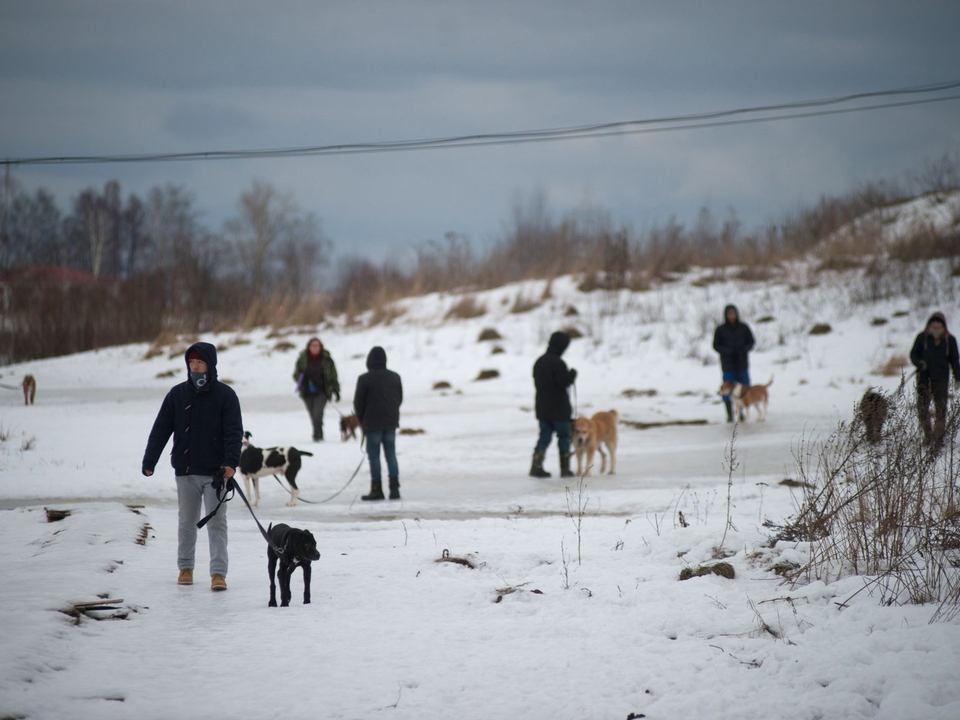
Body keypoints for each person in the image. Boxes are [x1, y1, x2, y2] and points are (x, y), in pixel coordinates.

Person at [142, 342, 243, 592]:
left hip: (216, 474)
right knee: (186, 522)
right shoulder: (177, 395)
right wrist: (149, 460)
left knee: (217, 523)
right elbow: (161, 429)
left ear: (210, 364)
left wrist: (231, 462)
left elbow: (233, 432)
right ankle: (185, 568)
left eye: (200, 362)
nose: (195, 367)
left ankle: (218, 573)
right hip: (186, 472)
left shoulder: (226, 395)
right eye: (192, 363)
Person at [354, 346, 403, 501]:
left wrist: (362, 421)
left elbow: (358, 403)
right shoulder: (395, 377)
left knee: (374, 457)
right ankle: (394, 489)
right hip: (390, 422)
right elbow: (399, 398)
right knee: (391, 455)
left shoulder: (364, 379)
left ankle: (377, 489)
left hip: (372, 423)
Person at [531, 331, 577, 479]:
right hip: (559, 409)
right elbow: (563, 383)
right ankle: (565, 469)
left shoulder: (539, 361)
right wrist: (572, 375)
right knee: (563, 436)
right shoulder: (559, 363)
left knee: (544, 436)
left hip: (542, 408)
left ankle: (536, 466)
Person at [910, 312, 960, 446]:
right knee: (922, 408)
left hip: (941, 379)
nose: (936, 324)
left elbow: (955, 360)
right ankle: (927, 434)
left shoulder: (950, 340)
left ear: (943, 324)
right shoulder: (922, 337)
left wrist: (957, 377)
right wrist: (919, 363)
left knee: (941, 408)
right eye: (934, 322)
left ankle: (938, 437)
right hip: (923, 378)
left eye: (939, 322)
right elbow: (913, 354)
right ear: (930, 323)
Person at [713, 304, 755, 423]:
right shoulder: (721, 329)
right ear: (726, 315)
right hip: (728, 364)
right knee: (727, 389)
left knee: (744, 388)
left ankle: (741, 412)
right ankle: (729, 414)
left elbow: (751, 342)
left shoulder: (744, 327)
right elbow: (716, 345)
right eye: (729, 314)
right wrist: (727, 351)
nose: (732, 316)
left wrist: (743, 349)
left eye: (733, 313)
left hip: (742, 363)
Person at [293, 337, 340, 441]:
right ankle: (317, 433)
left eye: (317, 345)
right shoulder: (302, 359)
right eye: (313, 345)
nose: (315, 348)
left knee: (317, 414)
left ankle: (318, 436)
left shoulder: (327, 360)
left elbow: (334, 376)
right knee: (312, 414)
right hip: (307, 392)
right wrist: (302, 379)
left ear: (321, 347)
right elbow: (295, 375)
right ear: (309, 347)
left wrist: (336, 390)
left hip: (322, 391)